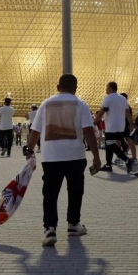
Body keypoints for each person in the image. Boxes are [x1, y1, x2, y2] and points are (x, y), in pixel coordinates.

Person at [24, 74, 101, 246]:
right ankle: (73, 224)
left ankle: (50, 229)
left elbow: (34, 131)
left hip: (51, 157)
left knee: (50, 194)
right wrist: (96, 156)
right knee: (75, 191)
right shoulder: (80, 104)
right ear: (75, 88)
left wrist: (29, 151)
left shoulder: (46, 104)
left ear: (58, 87)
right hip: (75, 156)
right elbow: (88, 131)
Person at [96, 82, 134, 173]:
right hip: (121, 126)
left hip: (111, 126)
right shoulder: (123, 99)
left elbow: (101, 112)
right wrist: (131, 124)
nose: (105, 89)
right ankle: (108, 165)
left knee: (110, 144)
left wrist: (95, 121)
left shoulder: (108, 98)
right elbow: (128, 112)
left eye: (106, 87)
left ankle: (127, 160)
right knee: (109, 145)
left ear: (110, 88)